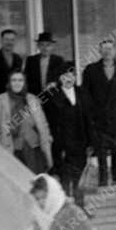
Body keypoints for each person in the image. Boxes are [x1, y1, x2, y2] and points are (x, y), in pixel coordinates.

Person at [81, 38, 116, 188]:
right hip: (99, 118)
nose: (107, 52)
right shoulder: (91, 70)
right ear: (99, 51)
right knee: (101, 150)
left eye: (110, 49)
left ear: (115, 51)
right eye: (104, 49)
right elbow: (86, 93)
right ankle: (103, 179)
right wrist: (92, 113)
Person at [45, 64, 93, 210]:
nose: (69, 79)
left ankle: (80, 205)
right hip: (62, 144)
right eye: (65, 76)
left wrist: (91, 143)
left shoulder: (83, 93)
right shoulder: (52, 95)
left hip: (80, 143)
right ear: (60, 79)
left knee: (79, 176)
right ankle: (65, 209)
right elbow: (47, 119)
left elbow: (89, 120)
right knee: (64, 177)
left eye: (72, 75)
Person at [0, 70, 54, 173]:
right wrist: (2, 144)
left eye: (20, 80)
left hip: (34, 149)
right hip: (13, 150)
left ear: (24, 83)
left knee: (35, 181)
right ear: (9, 83)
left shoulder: (32, 99)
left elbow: (43, 123)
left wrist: (47, 138)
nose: (17, 83)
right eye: (14, 80)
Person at [23, 31, 67, 104]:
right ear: (38, 46)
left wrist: (55, 83)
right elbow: (26, 79)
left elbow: (64, 78)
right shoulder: (31, 60)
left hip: (54, 98)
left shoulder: (59, 60)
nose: (45, 48)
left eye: (48, 45)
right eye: (42, 45)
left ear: (52, 46)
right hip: (35, 98)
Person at [0, 28, 24, 95]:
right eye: (6, 39)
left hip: (13, 95)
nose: (9, 42)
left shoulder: (18, 58)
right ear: (1, 40)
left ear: (15, 41)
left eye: (12, 40)